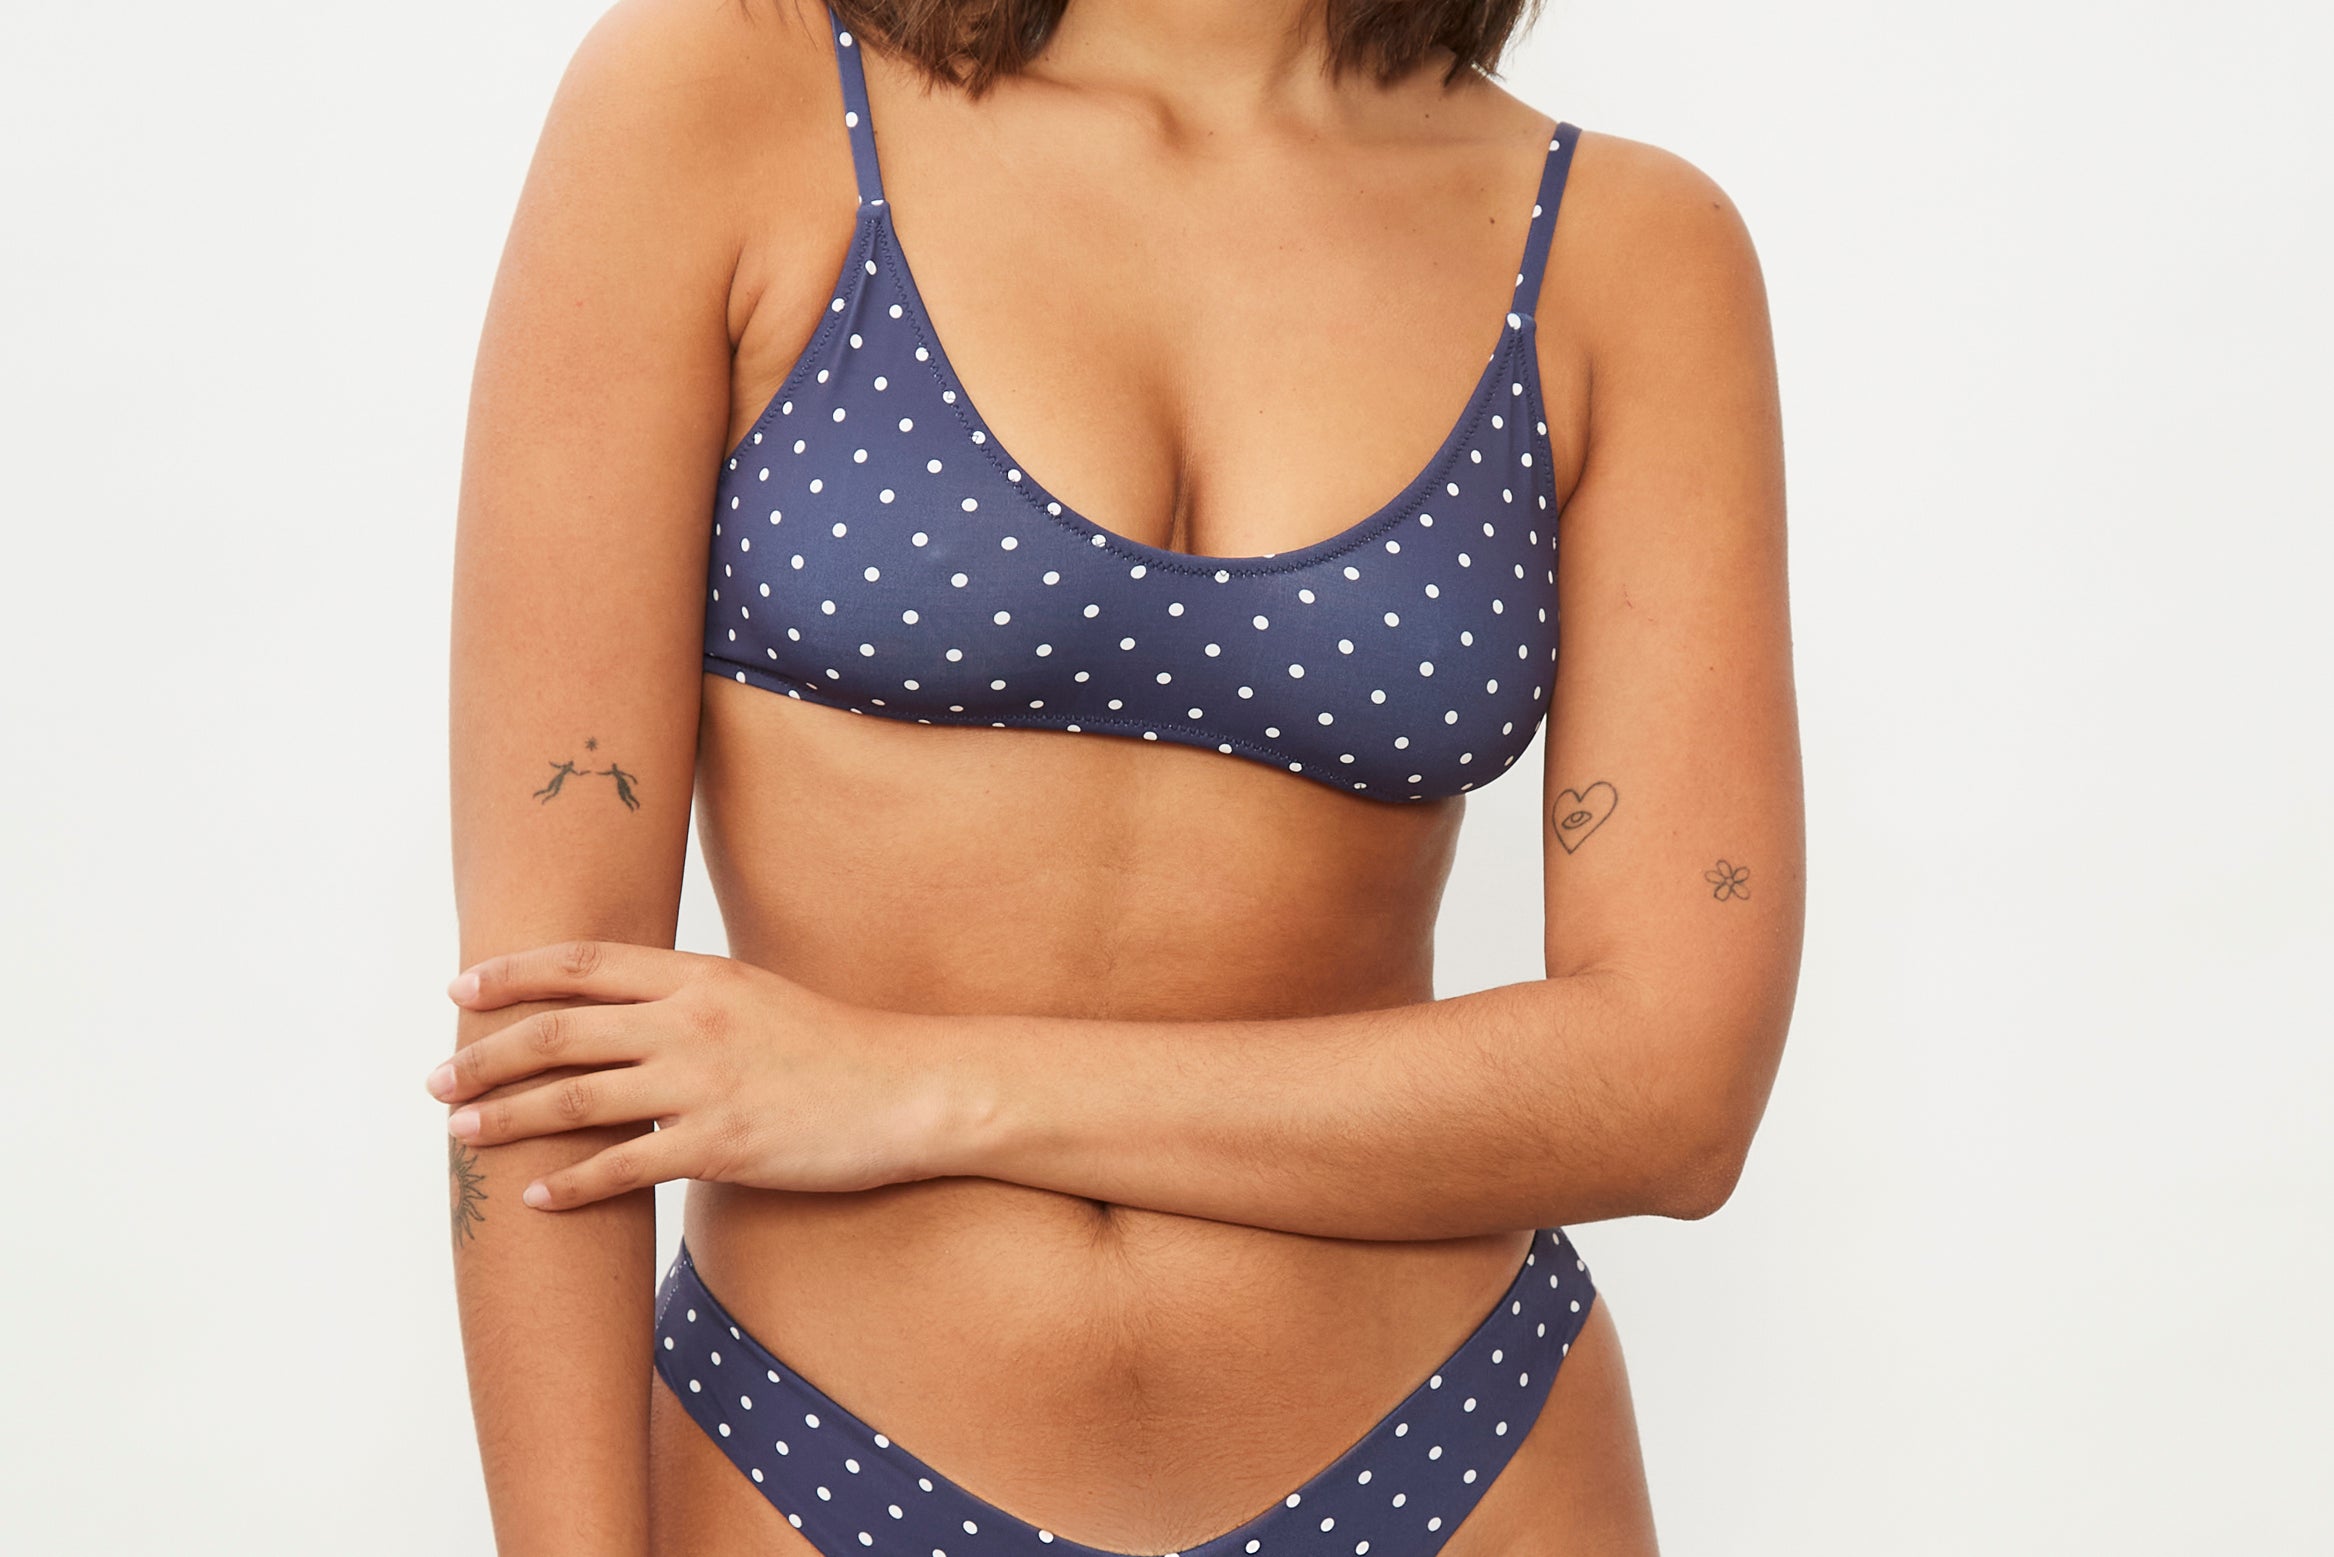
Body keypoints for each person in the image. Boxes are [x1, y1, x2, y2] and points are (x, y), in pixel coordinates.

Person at [435, 0, 1801, 1552]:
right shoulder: (724, 93)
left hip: (1461, 1458)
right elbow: (546, 1025)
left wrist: (919, 1084)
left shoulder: (1628, 246)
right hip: (812, 1459)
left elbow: (1674, 1090)